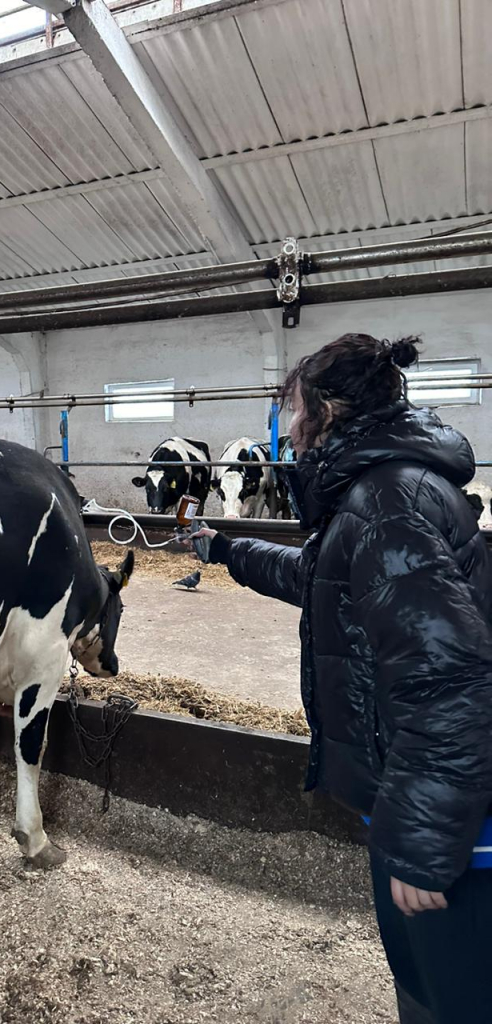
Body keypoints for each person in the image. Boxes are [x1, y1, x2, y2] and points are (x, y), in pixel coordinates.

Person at [190, 333, 492, 1024]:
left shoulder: (386, 505)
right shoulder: (379, 493)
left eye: (295, 409)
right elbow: (319, 577)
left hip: (450, 831)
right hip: (418, 801)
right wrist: (226, 550)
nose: (290, 427)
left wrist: (422, 840)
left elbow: (449, 678)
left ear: (325, 412)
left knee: (450, 998)